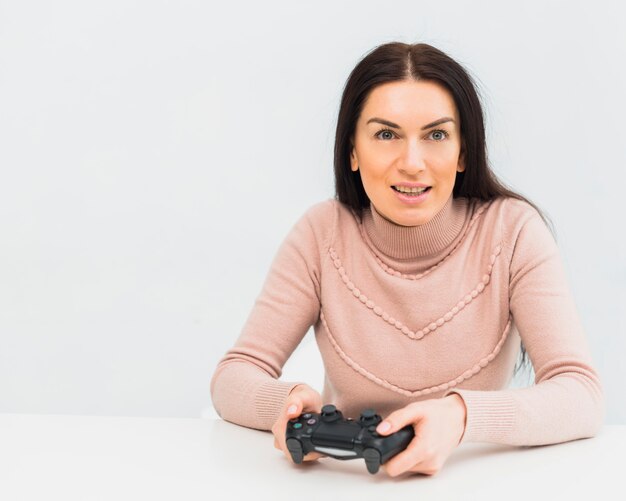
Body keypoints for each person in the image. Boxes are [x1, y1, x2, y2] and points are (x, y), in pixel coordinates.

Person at [210, 41, 605, 477]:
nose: (412, 163)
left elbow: (581, 394)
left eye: (436, 135)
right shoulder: (321, 233)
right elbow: (233, 377)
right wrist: (285, 404)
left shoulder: (512, 231)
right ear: (352, 153)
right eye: (386, 134)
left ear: (463, 152)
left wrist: (461, 417)